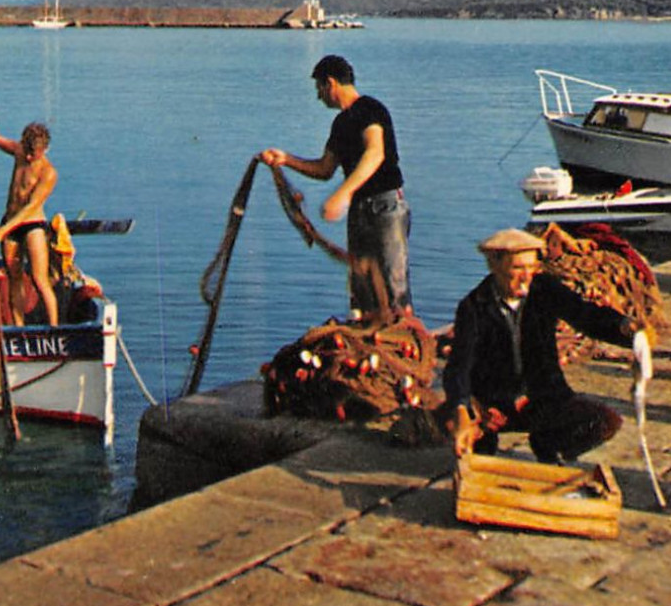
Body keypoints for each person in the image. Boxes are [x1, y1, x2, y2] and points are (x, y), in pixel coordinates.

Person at [441, 228, 631, 464]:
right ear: (494, 265)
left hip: (542, 398)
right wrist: (462, 408)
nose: (526, 276)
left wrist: (624, 327)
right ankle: (480, 449)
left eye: (532, 267)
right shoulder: (473, 306)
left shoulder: (545, 290)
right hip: (494, 406)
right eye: (518, 268)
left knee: (605, 422)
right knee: (461, 429)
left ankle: (547, 445)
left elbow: (586, 315)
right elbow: (458, 366)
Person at [259, 55, 412, 317]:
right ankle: (367, 339)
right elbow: (324, 169)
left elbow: (375, 153)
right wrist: (285, 160)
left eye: (319, 89)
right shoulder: (340, 124)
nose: (319, 97)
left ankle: (401, 339)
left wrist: (342, 194)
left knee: (392, 283)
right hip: (360, 211)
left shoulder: (370, 109)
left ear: (330, 83)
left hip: (386, 207)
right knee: (362, 284)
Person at [0, 95, 59, 326]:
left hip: (32, 225)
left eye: (34, 155)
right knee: (14, 278)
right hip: (10, 222)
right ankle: (18, 329)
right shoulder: (20, 151)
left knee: (39, 279)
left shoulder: (48, 173)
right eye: (27, 152)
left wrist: (0, 232)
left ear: (44, 150)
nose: (28, 158)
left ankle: (55, 329)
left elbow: (31, 208)